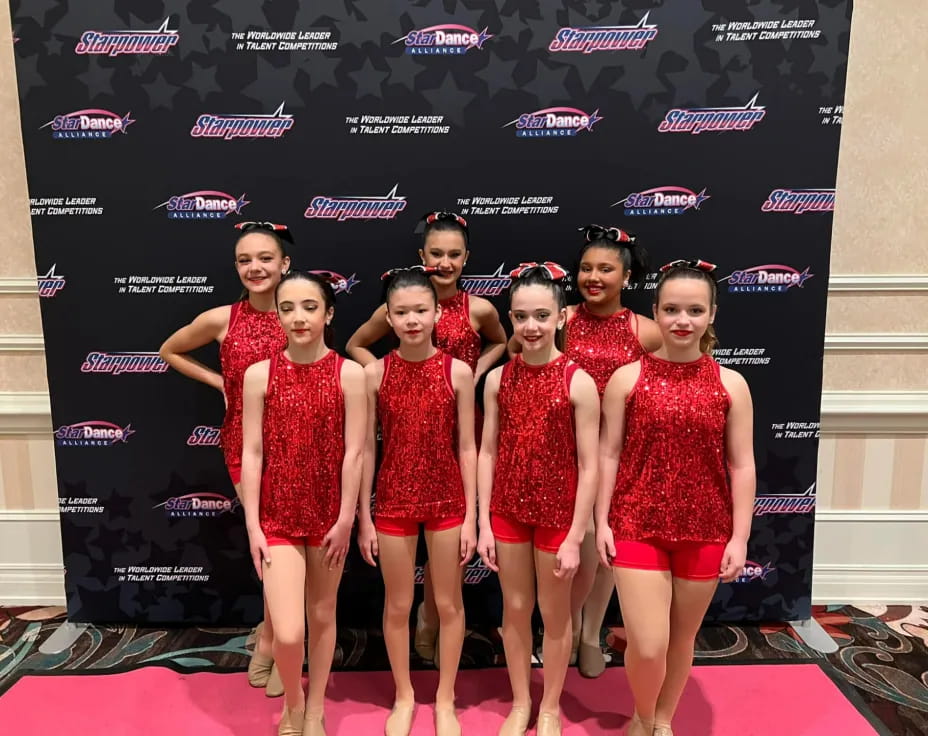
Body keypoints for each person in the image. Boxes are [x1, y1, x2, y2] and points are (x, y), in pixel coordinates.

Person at [596, 260, 756, 736]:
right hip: (636, 524)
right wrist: (601, 521)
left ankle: (661, 722)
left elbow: (742, 465)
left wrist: (740, 537)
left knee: (681, 639)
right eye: (671, 309)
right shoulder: (625, 380)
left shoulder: (732, 385)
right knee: (647, 645)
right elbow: (608, 455)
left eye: (694, 310)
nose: (682, 319)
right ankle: (642, 718)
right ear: (655, 312)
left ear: (711, 315)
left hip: (706, 529)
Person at [347, 211, 507, 664]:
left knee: (447, 583)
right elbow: (358, 345)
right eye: (436, 253)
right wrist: (373, 376)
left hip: (458, 422)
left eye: (454, 254)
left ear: (466, 258)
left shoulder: (478, 310)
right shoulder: (384, 358)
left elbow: (500, 341)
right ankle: (422, 626)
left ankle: (435, 627)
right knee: (401, 594)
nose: (445, 261)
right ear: (422, 256)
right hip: (403, 430)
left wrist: (476, 370)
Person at [159, 221, 291, 696]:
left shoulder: (302, 314)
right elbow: (170, 349)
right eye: (244, 260)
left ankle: (275, 635)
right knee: (270, 544)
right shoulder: (222, 319)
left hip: (300, 448)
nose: (255, 268)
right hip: (243, 445)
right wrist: (222, 384)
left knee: (287, 544)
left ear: (284, 264)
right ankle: (275, 635)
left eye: (264, 258)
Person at [477, 263, 600, 736]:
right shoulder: (497, 380)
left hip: (557, 517)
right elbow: (488, 451)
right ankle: (521, 700)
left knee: (555, 614)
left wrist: (575, 535)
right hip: (508, 512)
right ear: (510, 318)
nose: (531, 327)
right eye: (522, 317)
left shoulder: (578, 381)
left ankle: (550, 705)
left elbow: (589, 464)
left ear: (561, 318)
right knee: (514, 609)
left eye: (542, 316)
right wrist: (486, 523)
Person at [241, 271, 366, 736]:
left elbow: (355, 452)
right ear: (277, 314)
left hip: (329, 518)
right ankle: (293, 703)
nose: (298, 317)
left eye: (310, 307)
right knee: (289, 632)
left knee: (323, 613)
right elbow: (252, 453)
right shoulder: (260, 374)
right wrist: (253, 525)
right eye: (288, 307)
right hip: (277, 517)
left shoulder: (349, 374)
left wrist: (347, 518)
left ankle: (315, 708)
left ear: (328, 313)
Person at [357, 266, 478, 736]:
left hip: (447, 500)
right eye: (402, 312)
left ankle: (445, 697)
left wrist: (471, 517)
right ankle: (404, 695)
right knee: (397, 605)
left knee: (448, 605)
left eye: (421, 311)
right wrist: (366, 519)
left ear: (437, 314)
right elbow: (367, 447)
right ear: (388, 316)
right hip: (391, 501)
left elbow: (468, 447)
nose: (412, 320)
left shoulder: (459, 371)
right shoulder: (375, 372)